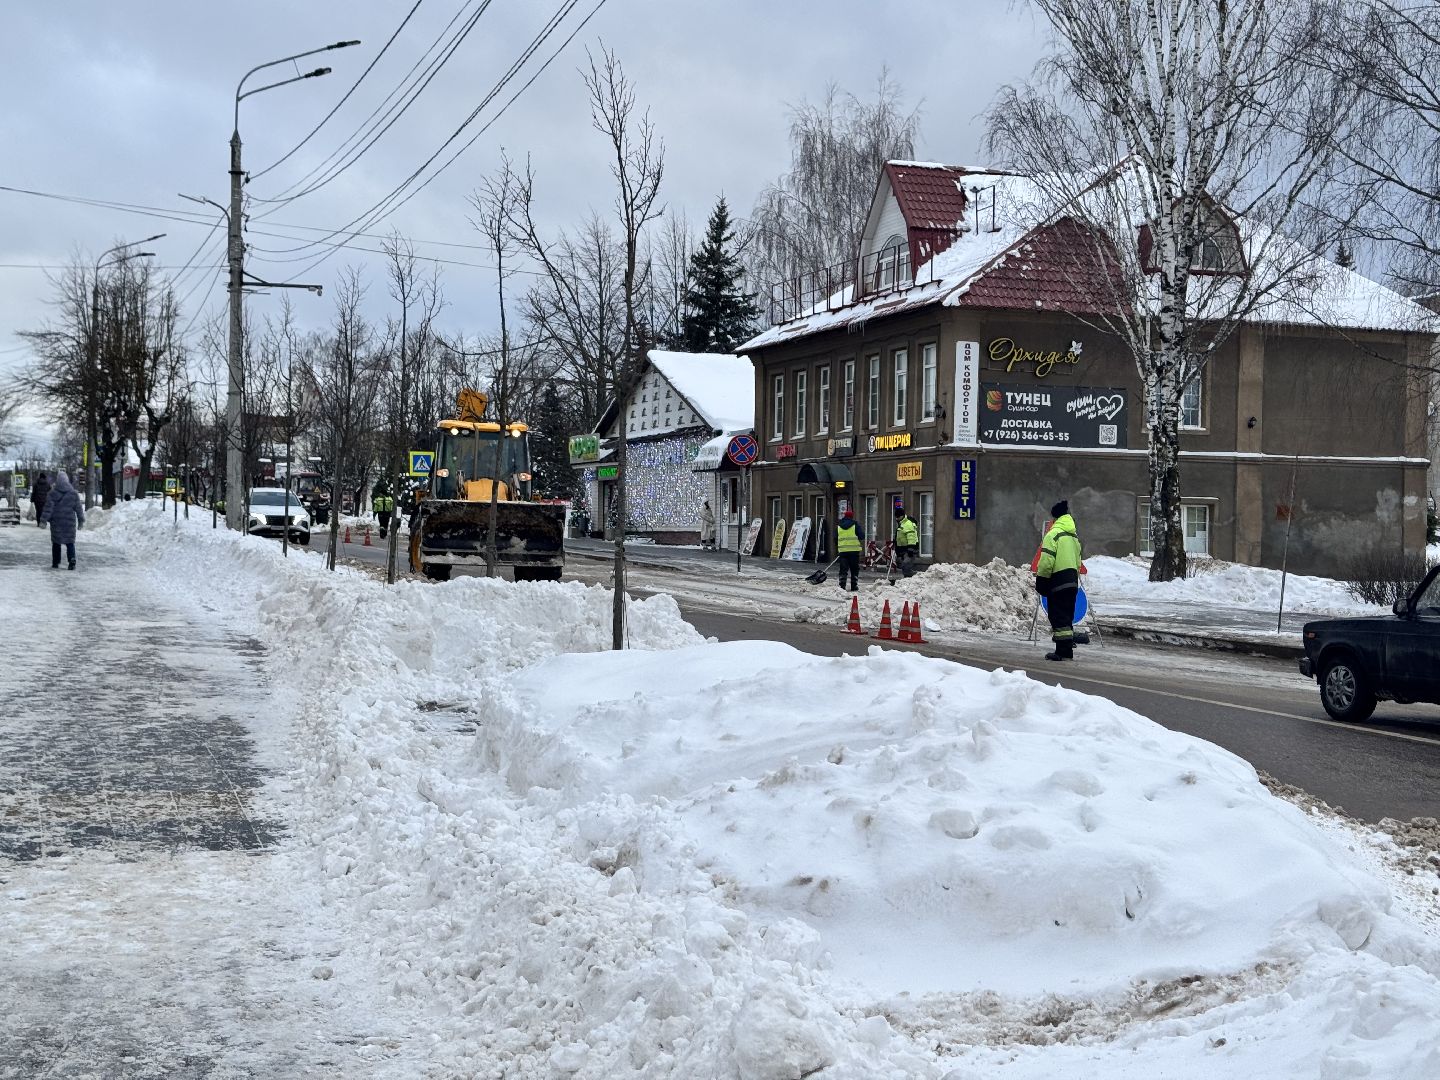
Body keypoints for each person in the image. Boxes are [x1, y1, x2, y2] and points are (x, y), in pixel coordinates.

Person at [1035, 499, 1082, 661]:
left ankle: (1062, 651)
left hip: (1058, 580)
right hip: (1072, 580)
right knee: (1067, 615)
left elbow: (1046, 561)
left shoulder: (1053, 535)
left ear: (1055, 517)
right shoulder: (1073, 537)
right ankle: (1067, 649)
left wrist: (1042, 579)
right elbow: (1078, 562)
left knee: (1058, 615)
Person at [39, 470, 84, 570]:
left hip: (57, 522)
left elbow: (48, 509)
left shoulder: (52, 494)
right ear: (67, 480)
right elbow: (79, 509)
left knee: (56, 543)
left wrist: (43, 520)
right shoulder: (73, 494)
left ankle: (56, 562)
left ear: (58, 481)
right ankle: (72, 559)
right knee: (70, 542)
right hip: (69, 523)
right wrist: (81, 520)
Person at [836, 508, 864, 593]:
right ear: (852, 517)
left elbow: (835, 538)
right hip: (854, 552)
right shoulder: (855, 525)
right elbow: (862, 536)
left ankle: (842, 585)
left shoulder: (839, 526)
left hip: (843, 552)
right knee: (854, 569)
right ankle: (854, 586)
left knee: (843, 569)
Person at [894, 505, 920, 576]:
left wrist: (911, 549)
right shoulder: (901, 523)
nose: (896, 518)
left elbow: (911, 537)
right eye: (896, 517)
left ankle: (916, 577)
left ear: (902, 516)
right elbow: (900, 536)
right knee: (904, 566)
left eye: (898, 517)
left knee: (906, 565)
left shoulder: (908, 524)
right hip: (903, 549)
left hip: (909, 549)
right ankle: (907, 579)